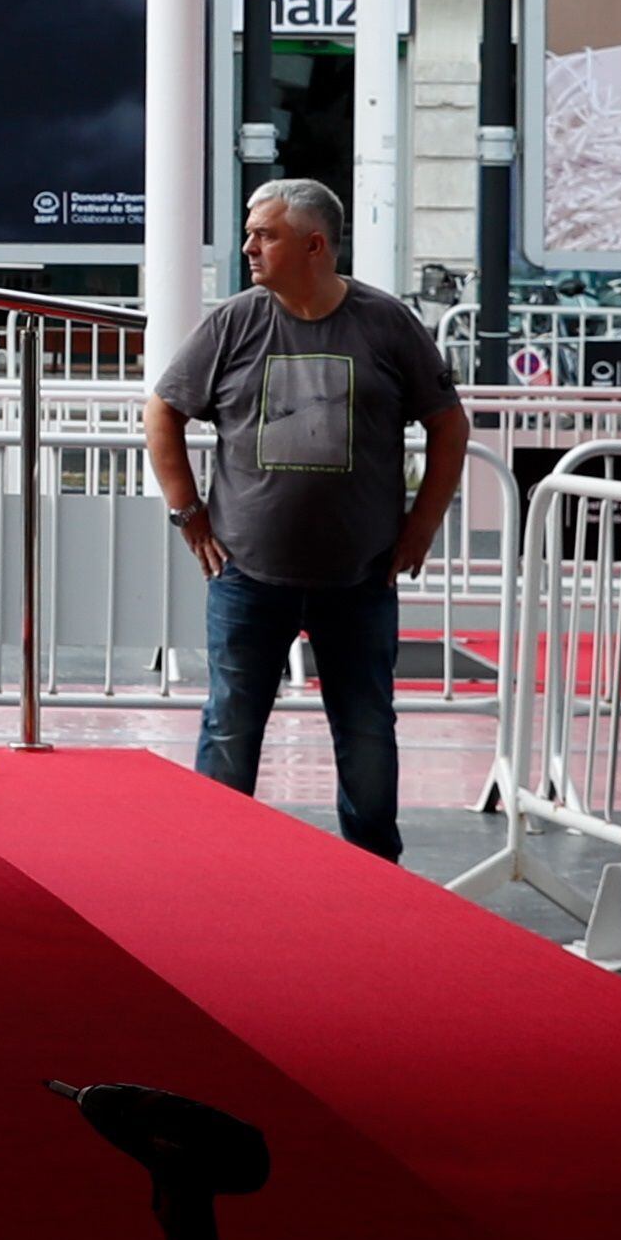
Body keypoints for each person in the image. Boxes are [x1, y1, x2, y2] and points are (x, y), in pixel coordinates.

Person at [144, 179, 470, 863]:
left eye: (264, 234)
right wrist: (188, 513)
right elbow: (162, 410)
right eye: (250, 231)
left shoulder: (386, 323)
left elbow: (448, 423)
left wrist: (423, 524)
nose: (248, 247)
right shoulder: (234, 321)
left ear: (315, 245)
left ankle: (375, 872)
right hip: (247, 574)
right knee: (231, 726)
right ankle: (215, 868)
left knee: (367, 731)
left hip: (360, 576)